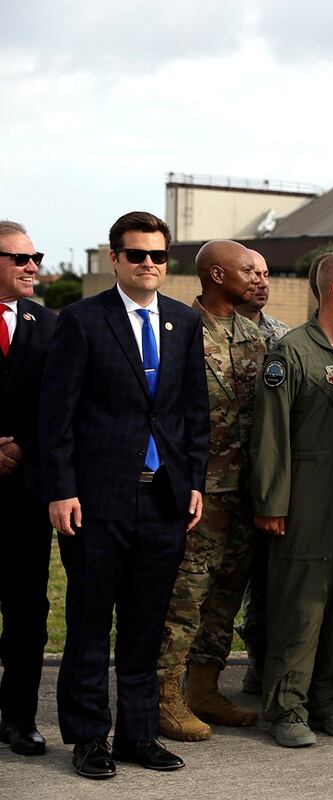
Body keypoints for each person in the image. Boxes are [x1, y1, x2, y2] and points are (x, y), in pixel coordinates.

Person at [41, 211, 209, 778]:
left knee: (145, 623)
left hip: (163, 500)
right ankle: (90, 738)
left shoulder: (184, 323)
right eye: (136, 254)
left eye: (158, 256)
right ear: (114, 258)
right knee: (90, 623)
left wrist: (193, 481)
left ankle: (138, 735)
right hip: (97, 500)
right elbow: (56, 417)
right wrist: (61, 490)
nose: (148, 265)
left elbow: (192, 413)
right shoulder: (83, 321)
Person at [250, 252, 333, 747]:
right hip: (305, 502)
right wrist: (271, 503)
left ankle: (330, 703)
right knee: (299, 606)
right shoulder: (291, 352)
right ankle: (286, 709)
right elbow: (271, 436)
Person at [155, 241, 266, 742]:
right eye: (249, 270)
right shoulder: (178, 329)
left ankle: (205, 688)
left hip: (246, 489)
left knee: (225, 597)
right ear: (217, 275)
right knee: (186, 598)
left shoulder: (256, 334)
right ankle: (164, 698)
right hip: (200, 493)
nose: (257, 278)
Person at [0, 221, 57, 757]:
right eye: (19, 258)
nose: (32, 266)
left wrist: (22, 445)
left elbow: (62, 403)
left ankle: (18, 718)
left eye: (33, 256)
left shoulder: (50, 325)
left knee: (26, 610)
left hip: (25, 490)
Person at [234, 247, 290, 696]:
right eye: (250, 272)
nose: (260, 280)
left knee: (270, 583)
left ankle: (261, 662)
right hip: (220, 480)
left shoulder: (283, 337)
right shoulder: (197, 331)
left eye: (266, 272)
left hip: (272, 480)